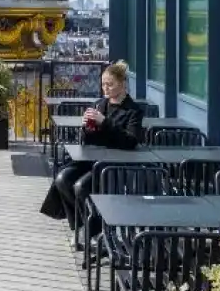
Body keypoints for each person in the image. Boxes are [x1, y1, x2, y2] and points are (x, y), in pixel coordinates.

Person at [39, 60, 144, 237]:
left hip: (112, 166)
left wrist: (104, 122)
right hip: (90, 159)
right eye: (103, 84)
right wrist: (86, 127)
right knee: (62, 179)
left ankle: (90, 232)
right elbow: (89, 139)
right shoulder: (100, 104)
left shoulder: (133, 110)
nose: (106, 88)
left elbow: (130, 141)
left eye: (110, 84)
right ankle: (84, 226)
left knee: (80, 187)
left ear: (122, 84)